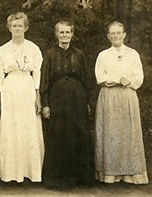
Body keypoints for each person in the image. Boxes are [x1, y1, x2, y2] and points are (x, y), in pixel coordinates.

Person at [40, 20, 93, 189]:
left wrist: (87, 102)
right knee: (58, 135)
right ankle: (57, 180)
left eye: (67, 32)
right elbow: (44, 81)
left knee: (78, 134)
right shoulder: (49, 54)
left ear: (72, 34)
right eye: (61, 32)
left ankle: (80, 178)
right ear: (56, 34)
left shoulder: (79, 54)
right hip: (57, 99)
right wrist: (45, 104)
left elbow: (86, 80)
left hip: (77, 99)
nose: (64, 35)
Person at [94, 21, 149, 184]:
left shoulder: (133, 54)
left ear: (124, 35)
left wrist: (129, 81)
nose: (116, 36)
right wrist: (118, 79)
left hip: (127, 96)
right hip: (109, 96)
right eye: (112, 34)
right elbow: (100, 77)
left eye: (118, 33)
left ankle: (130, 174)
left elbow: (139, 77)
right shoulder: (103, 55)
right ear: (108, 36)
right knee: (111, 134)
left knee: (128, 133)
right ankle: (111, 174)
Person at [0, 12, 44, 183]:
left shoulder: (33, 48)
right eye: (14, 26)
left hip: (28, 89)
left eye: (20, 26)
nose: (17, 29)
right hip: (10, 91)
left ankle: (29, 173)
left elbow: (37, 74)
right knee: (10, 131)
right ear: (9, 28)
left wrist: (38, 98)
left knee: (28, 130)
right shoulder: (2, 50)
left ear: (26, 27)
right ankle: (10, 174)